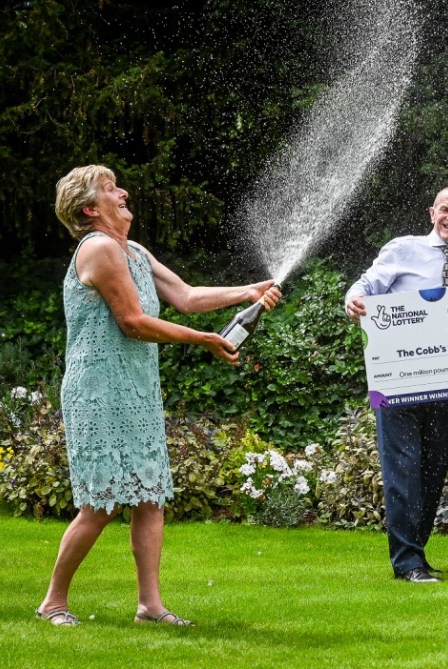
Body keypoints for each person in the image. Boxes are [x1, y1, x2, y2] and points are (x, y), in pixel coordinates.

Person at [35, 165, 281, 626]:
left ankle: (150, 606)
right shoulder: (100, 248)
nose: (122, 192)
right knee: (102, 501)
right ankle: (54, 601)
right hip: (99, 389)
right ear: (90, 209)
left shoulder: (135, 252)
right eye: (110, 190)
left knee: (149, 496)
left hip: (136, 387)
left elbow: (185, 296)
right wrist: (205, 340)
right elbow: (133, 321)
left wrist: (246, 292)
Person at [345, 186, 448, 583]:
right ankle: (406, 562)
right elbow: (364, 286)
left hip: (446, 384)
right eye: (445, 209)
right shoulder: (403, 249)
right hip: (399, 380)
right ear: (432, 213)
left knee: (434, 469)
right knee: (403, 466)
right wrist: (353, 300)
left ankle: (416, 553)